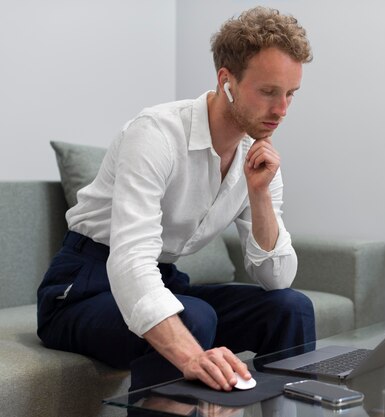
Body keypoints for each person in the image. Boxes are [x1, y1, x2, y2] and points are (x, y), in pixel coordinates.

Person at [36, 6, 316, 393]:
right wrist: (190, 355)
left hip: (164, 278)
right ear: (227, 81)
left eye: (290, 94)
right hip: (83, 287)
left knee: (291, 308)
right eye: (268, 92)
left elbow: (277, 278)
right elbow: (131, 260)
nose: (281, 110)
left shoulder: (258, 156)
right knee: (191, 317)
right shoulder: (156, 134)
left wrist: (259, 194)